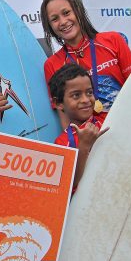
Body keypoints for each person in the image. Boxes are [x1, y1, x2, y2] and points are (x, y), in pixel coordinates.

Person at [48, 63, 108, 191]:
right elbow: (70, 185)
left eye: (89, 92)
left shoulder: (108, 122)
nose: (86, 99)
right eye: (76, 95)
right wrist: (84, 146)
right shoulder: (62, 143)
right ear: (58, 103)